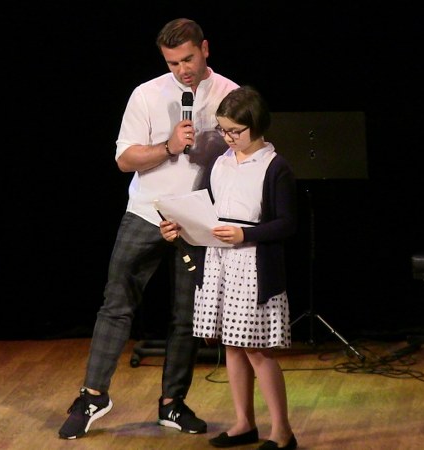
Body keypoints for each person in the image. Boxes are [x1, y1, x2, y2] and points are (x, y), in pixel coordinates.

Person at [58, 18, 239, 440]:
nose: (182, 70)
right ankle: (93, 396)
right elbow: (125, 160)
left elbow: (243, 157)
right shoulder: (147, 94)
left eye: (188, 59)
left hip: (197, 220)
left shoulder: (230, 94)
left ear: (205, 49)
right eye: (173, 63)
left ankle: (172, 403)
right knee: (116, 304)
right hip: (146, 213)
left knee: (187, 315)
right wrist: (169, 147)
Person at [159, 86, 299, 450]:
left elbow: (287, 224)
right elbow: (204, 210)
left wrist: (245, 233)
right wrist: (179, 227)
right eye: (223, 130)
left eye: (235, 131)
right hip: (220, 261)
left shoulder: (274, 167)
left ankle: (282, 431)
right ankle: (243, 423)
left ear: (256, 126)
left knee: (257, 351)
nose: (228, 137)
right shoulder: (220, 163)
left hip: (253, 265)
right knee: (232, 346)